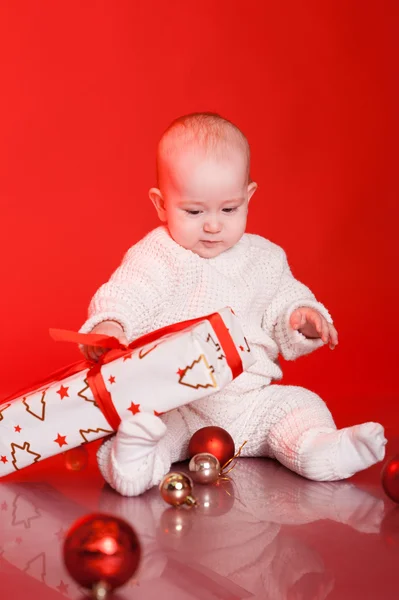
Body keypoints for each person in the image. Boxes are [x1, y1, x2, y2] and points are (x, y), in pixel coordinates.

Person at [80, 112, 386, 496]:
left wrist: (300, 317)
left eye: (229, 209)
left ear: (249, 197)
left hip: (249, 401)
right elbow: (127, 293)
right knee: (147, 426)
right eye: (194, 211)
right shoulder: (157, 255)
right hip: (177, 402)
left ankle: (317, 448)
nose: (213, 225)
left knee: (298, 404)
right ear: (161, 204)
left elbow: (284, 302)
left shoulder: (265, 258)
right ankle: (132, 460)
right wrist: (110, 325)